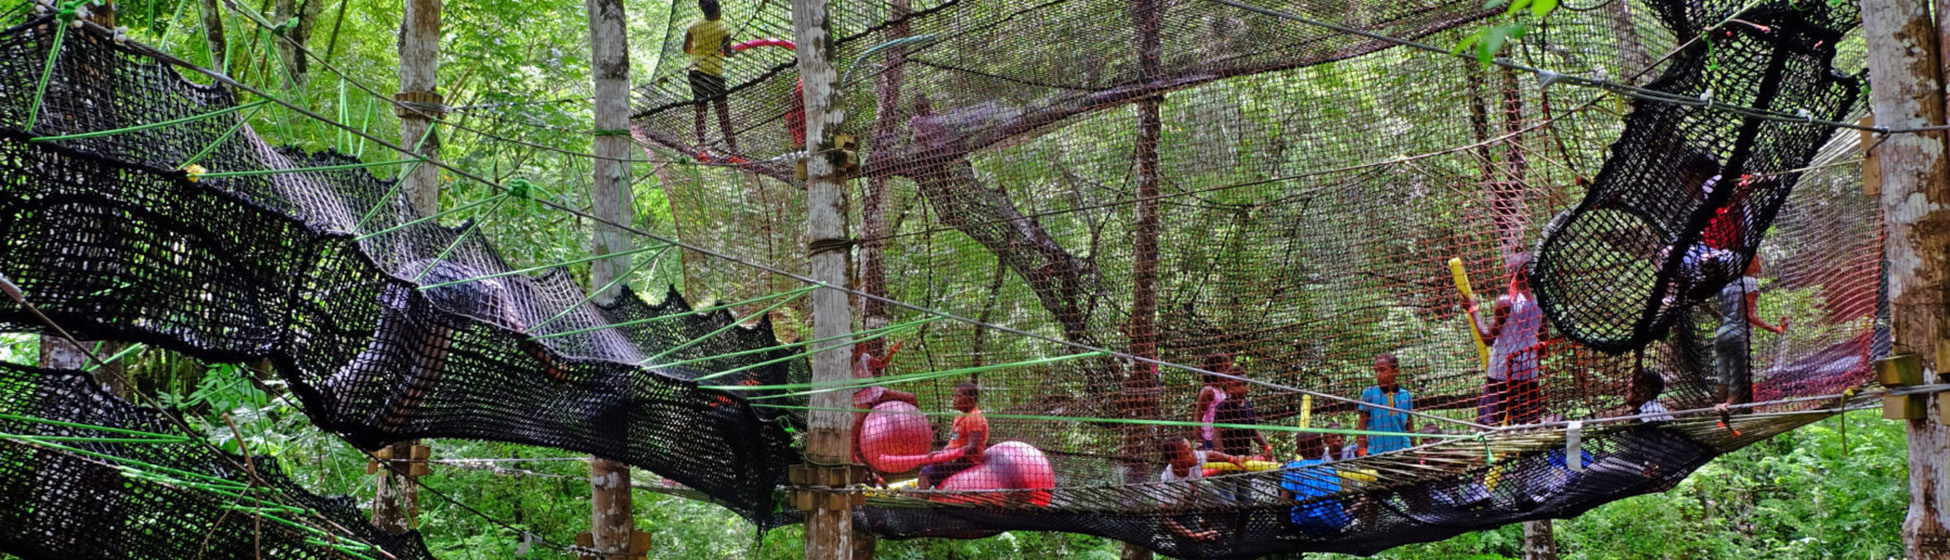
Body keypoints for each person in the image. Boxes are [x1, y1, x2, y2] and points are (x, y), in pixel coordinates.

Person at [1467, 253, 1548, 426]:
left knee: (1487, 425)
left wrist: (1472, 310)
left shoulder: (1506, 302)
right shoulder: (1540, 304)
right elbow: (1543, 342)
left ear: (1512, 272)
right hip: (1528, 376)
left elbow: (1487, 338)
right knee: (1527, 426)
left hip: (1501, 374)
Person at [1713, 257, 1787, 410]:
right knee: (1738, 380)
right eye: (1756, 260)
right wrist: (1776, 329)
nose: (1760, 263)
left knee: (1724, 377)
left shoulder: (1730, 282)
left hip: (1722, 333)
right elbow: (1749, 315)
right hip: (1738, 334)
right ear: (1747, 264)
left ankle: (1719, 409)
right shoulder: (1749, 282)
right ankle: (1729, 412)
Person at [1158, 435, 1246, 541]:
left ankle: (1210, 527)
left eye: (1191, 449)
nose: (1193, 454)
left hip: (1197, 501)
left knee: (1231, 511)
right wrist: (1192, 535)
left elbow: (1210, 454)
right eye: (1187, 453)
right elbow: (1165, 519)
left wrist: (1231, 458)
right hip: (1179, 515)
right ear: (1174, 461)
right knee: (1195, 548)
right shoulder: (1168, 481)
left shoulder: (1195, 457)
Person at [683, 0, 740, 159]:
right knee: (723, 112)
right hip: (714, 74)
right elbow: (728, 53)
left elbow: (686, 48)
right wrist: (733, 51)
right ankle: (734, 151)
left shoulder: (693, 25)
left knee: (701, 110)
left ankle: (702, 148)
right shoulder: (723, 28)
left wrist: (699, 48)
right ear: (718, 11)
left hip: (696, 72)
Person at [850, 345, 917, 467]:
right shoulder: (845, 361)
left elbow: (881, 364)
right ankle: (851, 459)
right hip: (861, 397)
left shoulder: (866, 357)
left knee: (910, 397)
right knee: (855, 428)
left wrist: (891, 353)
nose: (861, 350)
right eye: (858, 348)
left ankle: (921, 421)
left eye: (862, 347)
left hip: (875, 391)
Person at [916, 382, 987, 488]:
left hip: (965, 461)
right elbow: (954, 442)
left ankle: (924, 499)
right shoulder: (960, 416)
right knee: (927, 467)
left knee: (927, 473)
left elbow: (972, 447)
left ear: (971, 399)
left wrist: (948, 456)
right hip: (954, 458)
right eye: (954, 396)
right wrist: (941, 453)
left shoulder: (974, 417)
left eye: (958, 396)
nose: (954, 399)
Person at [1280, 433, 1351, 538]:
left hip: (1306, 524)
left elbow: (1283, 500)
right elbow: (1337, 494)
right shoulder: (1330, 468)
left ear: (1298, 451)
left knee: (1285, 490)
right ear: (1322, 449)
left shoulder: (1292, 468)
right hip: (1334, 522)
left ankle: (1286, 529)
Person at [1357, 354, 1415, 455]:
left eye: (1383, 370)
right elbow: (1362, 427)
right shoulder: (1369, 394)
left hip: (1403, 451)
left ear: (1395, 371)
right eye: (1376, 371)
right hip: (1376, 453)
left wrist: (1414, 449)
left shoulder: (1406, 395)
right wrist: (1362, 452)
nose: (1378, 375)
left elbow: (1409, 426)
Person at [1193, 354, 1231, 451]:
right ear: (1215, 370)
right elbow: (1198, 416)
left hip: (1221, 436)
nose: (1228, 372)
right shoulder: (1208, 391)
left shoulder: (1222, 390)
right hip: (1209, 438)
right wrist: (1199, 441)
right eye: (1225, 368)